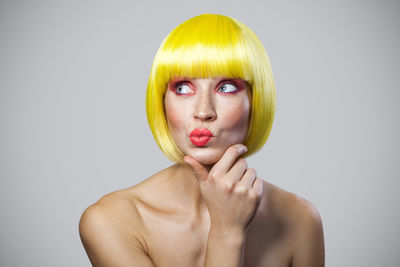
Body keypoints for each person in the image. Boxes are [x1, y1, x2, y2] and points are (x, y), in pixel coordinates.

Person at [79, 13, 325, 267]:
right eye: (183, 88)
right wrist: (226, 232)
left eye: (226, 87)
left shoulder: (300, 220)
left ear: (256, 101)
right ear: (161, 100)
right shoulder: (110, 221)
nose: (203, 111)